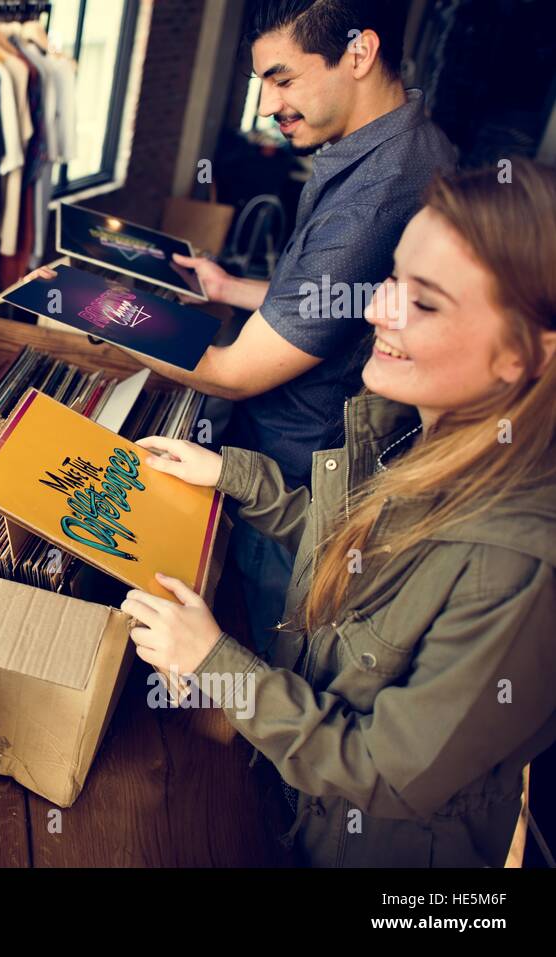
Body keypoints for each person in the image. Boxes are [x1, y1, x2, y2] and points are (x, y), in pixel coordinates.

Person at [124, 161, 556, 866]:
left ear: (524, 353)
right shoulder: (416, 426)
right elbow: (350, 559)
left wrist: (213, 663)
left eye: (427, 303)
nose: (379, 309)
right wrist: (234, 476)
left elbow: (386, 768)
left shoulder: (518, 566)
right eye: (392, 280)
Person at [35, 0, 455, 655]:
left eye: (283, 80)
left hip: (301, 464)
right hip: (298, 450)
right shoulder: (405, 139)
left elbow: (233, 372)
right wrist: (233, 287)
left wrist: (97, 311)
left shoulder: (377, 195)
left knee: (268, 649)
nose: (265, 106)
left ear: (360, 53)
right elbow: (336, 297)